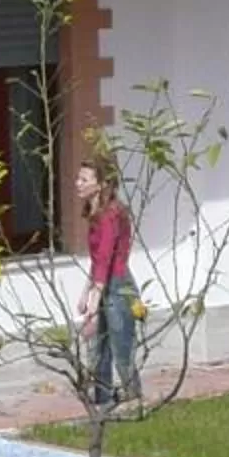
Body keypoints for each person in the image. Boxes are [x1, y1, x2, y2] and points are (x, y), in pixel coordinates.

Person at [79, 148, 141, 408]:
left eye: (84, 179)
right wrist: (86, 292)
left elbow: (106, 259)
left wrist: (94, 304)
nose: (78, 183)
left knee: (121, 346)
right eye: (79, 178)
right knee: (98, 346)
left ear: (102, 183)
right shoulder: (96, 214)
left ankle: (132, 397)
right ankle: (102, 398)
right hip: (103, 283)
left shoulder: (111, 214)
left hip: (118, 286)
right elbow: (96, 260)